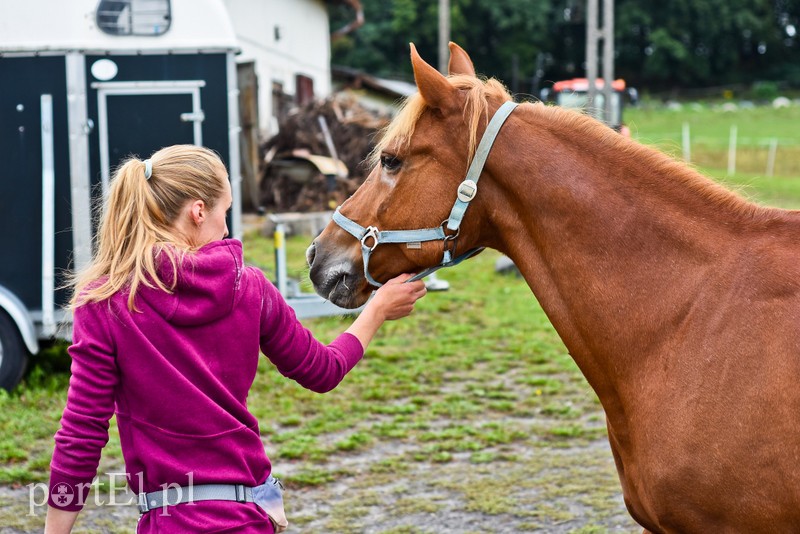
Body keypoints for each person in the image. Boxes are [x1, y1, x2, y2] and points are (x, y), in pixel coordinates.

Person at [44, 145, 427, 533]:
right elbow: (322, 370)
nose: (225, 228)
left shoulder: (106, 302)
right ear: (197, 212)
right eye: (223, 211)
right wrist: (376, 311)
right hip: (249, 516)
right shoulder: (251, 288)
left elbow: (82, 432)